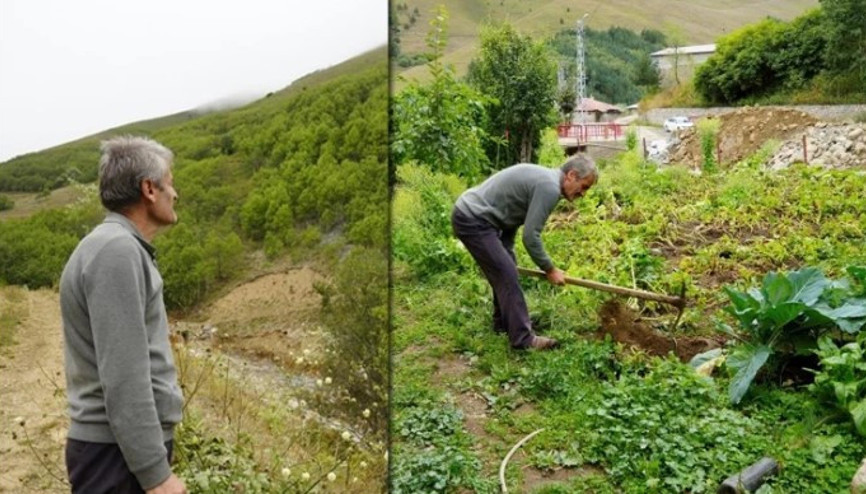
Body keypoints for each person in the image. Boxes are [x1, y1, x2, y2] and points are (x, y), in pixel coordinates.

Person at [59, 136, 187, 494]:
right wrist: (156, 475)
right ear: (149, 188)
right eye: (171, 183)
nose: (175, 194)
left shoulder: (118, 247)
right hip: (115, 456)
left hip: (119, 450)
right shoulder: (116, 251)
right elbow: (124, 375)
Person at [451, 154, 598, 350]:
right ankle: (523, 340)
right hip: (473, 218)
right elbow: (530, 237)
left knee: (505, 267)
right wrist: (550, 269)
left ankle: (505, 322)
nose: (583, 193)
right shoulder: (549, 188)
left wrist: (506, 249)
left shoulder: (547, 180)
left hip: (481, 218)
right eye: (585, 186)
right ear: (571, 175)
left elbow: (511, 211)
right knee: (506, 273)